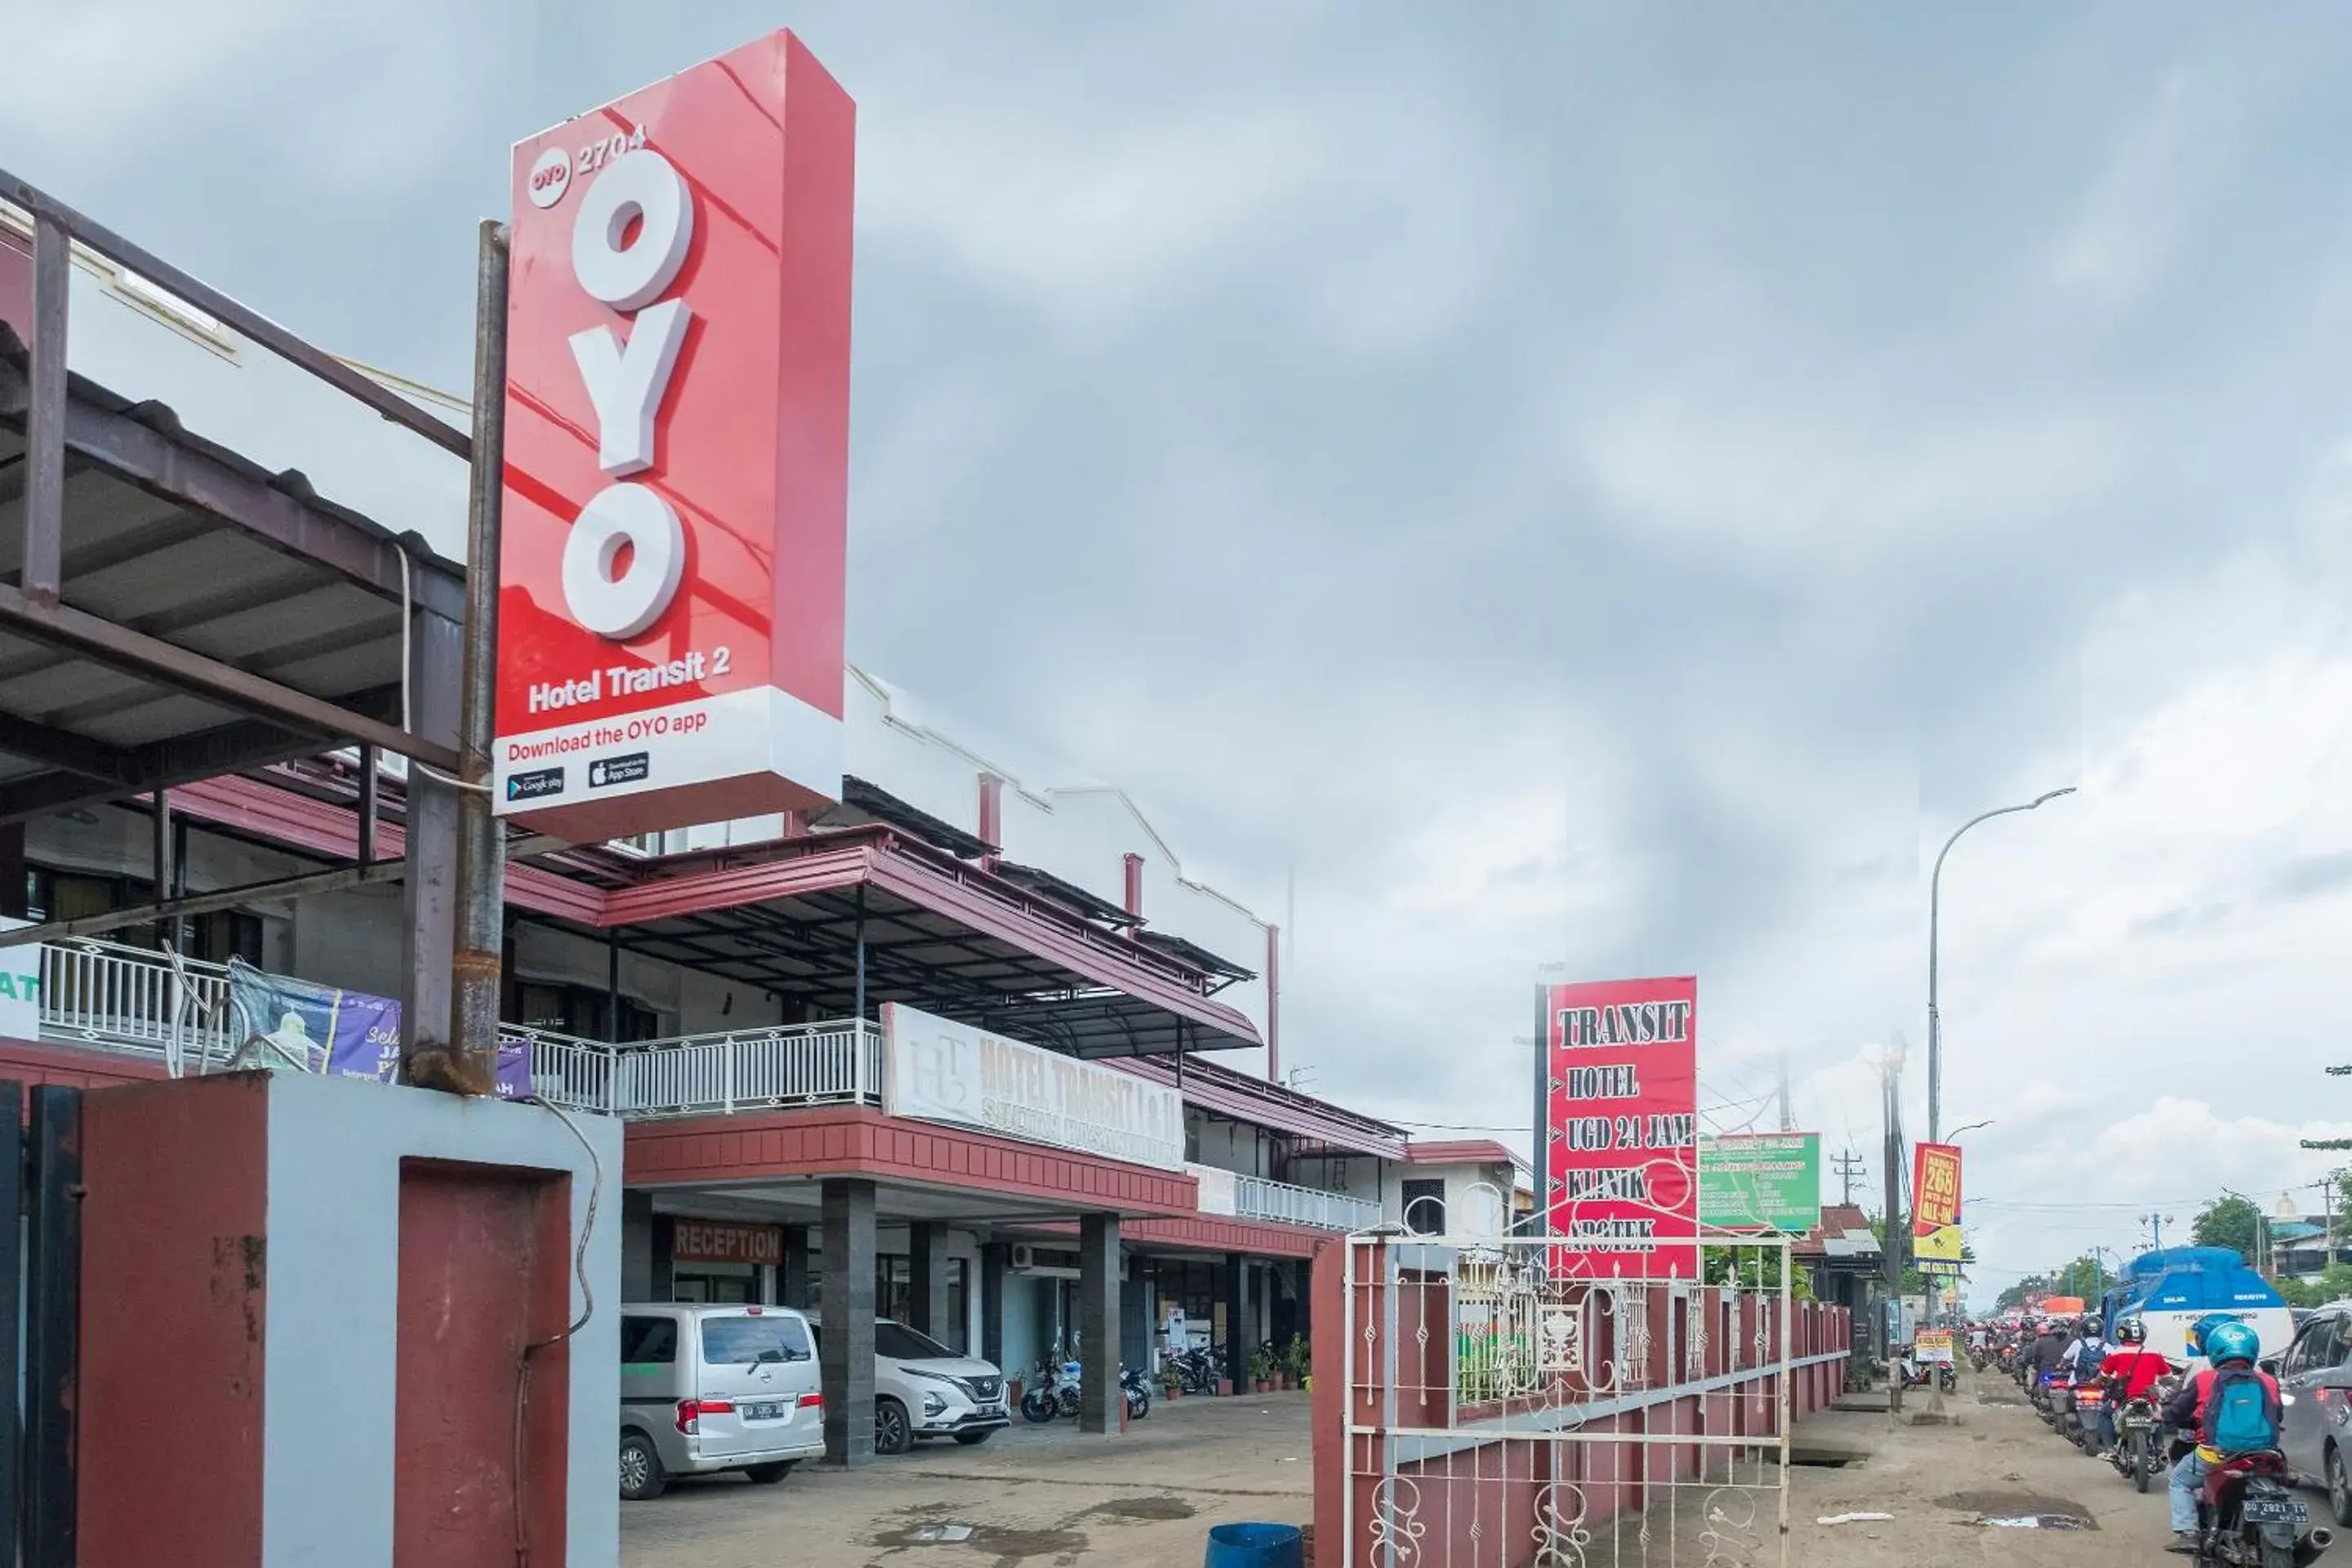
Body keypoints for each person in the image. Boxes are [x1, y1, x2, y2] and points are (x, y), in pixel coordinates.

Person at [2160, 1319, 2283, 1555]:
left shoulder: (2205, 1378)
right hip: (2265, 1454)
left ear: (2214, 1350)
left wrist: (2163, 1417)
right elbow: (2277, 1415)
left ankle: (2189, 1533)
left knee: (2179, 1481)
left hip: (2217, 1454)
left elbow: (2176, 1412)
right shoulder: (2268, 1380)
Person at [2091, 1317, 2173, 1458]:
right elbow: (2168, 1377)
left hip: (2124, 1398)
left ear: (2121, 1334)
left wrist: (2094, 1382)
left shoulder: (2115, 1354)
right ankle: (2160, 1448)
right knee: (2158, 1416)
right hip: (2150, 1396)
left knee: (2105, 1414)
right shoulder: (2154, 1354)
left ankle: (2110, 1450)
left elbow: (2102, 1377)